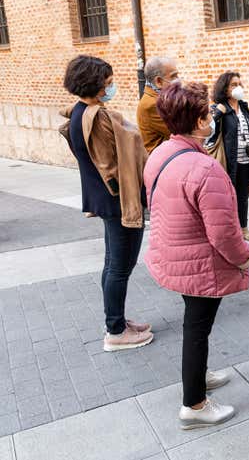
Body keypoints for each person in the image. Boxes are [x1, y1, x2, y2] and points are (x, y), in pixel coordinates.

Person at [144, 81, 249, 429]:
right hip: (200, 262)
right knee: (196, 327)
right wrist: (244, 257)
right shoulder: (205, 168)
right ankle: (194, 404)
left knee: (196, 325)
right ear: (197, 121)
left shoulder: (161, 153)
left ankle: (198, 375)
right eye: (206, 113)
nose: (211, 117)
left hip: (173, 253)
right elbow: (224, 232)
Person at [59, 55, 152, 352]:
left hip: (106, 200)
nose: (112, 87)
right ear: (94, 84)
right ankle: (115, 332)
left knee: (112, 264)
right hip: (118, 201)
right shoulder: (97, 117)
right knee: (120, 267)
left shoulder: (79, 112)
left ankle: (116, 320)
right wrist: (129, 195)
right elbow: (109, 164)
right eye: (108, 82)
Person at [208, 72, 249, 242]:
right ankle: (229, 231)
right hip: (228, 162)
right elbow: (208, 131)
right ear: (225, 89)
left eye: (239, 84)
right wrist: (218, 113)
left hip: (245, 160)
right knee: (227, 198)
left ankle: (243, 229)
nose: (238, 87)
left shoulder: (244, 108)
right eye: (233, 84)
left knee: (243, 197)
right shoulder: (220, 108)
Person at [137, 56, 179, 153]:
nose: (178, 80)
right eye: (173, 76)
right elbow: (179, 130)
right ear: (159, 81)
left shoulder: (161, 97)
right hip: (164, 157)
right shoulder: (151, 104)